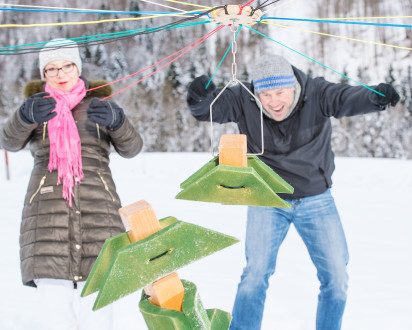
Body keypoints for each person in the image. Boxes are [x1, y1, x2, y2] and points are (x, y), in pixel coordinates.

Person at [186, 54, 400, 330]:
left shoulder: (317, 93)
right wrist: (198, 97)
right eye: (265, 94)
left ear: (294, 87)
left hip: (315, 198)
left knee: (336, 278)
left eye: (280, 92)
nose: (274, 102)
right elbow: (206, 110)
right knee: (255, 275)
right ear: (256, 93)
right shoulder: (244, 98)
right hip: (267, 198)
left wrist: (374, 97)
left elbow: (346, 98)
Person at [0, 39, 143, 330]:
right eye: (51, 69)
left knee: (98, 316)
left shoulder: (99, 106)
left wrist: (118, 121)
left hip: (99, 215)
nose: (60, 73)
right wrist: (24, 116)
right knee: (56, 318)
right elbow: (8, 141)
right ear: (44, 75)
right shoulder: (36, 108)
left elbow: (132, 148)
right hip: (47, 219)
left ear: (78, 66)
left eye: (66, 65)